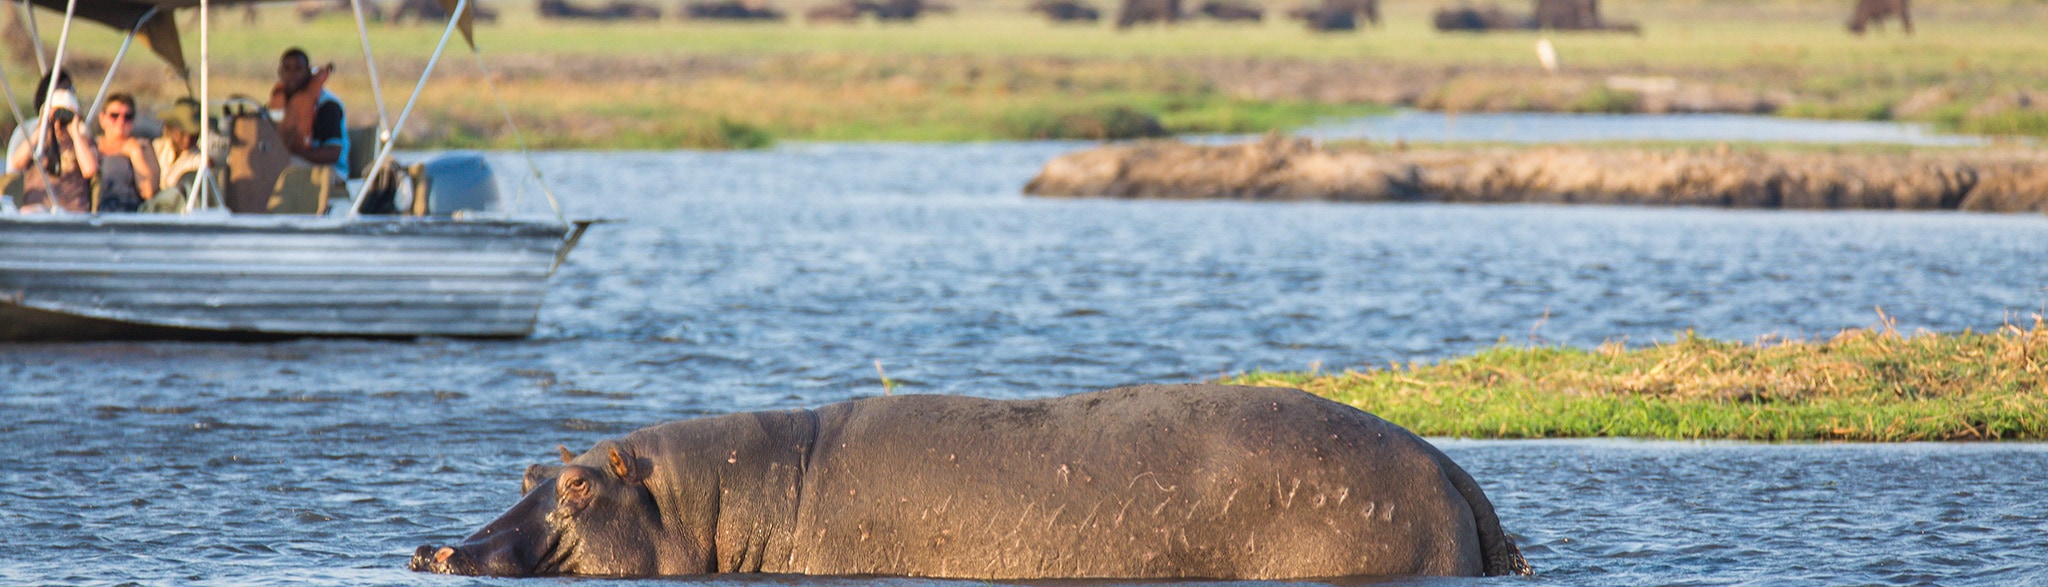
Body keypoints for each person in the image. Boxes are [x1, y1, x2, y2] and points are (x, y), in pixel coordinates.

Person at [6, 87, 96, 213]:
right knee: (27, 212)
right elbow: (16, 164)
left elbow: (90, 170)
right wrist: (43, 127)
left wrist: (74, 131)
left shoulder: (82, 142)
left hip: (72, 211)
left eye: (65, 116)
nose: (59, 123)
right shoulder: (38, 141)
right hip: (38, 210)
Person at [268, 47, 349, 180]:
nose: (292, 74)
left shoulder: (328, 105)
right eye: (287, 69)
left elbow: (333, 154)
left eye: (298, 69)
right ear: (280, 72)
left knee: (278, 165)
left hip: (331, 171)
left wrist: (294, 150)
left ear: (308, 72)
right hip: (297, 164)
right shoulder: (279, 102)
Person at [148, 98, 226, 213]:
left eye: (194, 134)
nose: (187, 139)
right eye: (182, 133)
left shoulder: (199, 160)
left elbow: (205, 164)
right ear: (171, 129)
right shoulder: (157, 148)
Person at [92, 93, 159, 213]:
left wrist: (136, 155)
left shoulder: (143, 147)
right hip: (92, 216)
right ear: (102, 119)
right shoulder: (91, 145)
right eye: (114, 115)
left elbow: (148, 191)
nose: (121, 121)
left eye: (127, 116)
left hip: (127, 215)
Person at [5, 69, 73, 174]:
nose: (65, 97)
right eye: (61, 93)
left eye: (70, 91)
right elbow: (13, 167)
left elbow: (90, 169)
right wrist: (42, 129)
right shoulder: (27, 130)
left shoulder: (76, 131)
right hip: (34, 188)